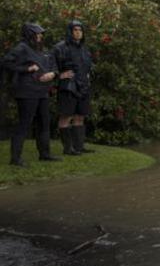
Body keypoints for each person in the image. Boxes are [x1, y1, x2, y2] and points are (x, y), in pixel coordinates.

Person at [2, 23, 61, 166]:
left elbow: (54, 66)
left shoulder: (43, 51)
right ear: (30, 34)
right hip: (27, 91)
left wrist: (52, 74)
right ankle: (15, 159)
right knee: (24, 124)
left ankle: (45, 154)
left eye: (41, 34)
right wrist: (26, 68)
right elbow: (5, 63)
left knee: (44, 123)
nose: (40, 36)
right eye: (37, 34)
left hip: (42, 91)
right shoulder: (21, 48)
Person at [52, 19, 95, 155]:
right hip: (68, 87)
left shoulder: (84, 49)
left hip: (83, 87)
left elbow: (88, 67)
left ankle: (79, 146)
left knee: (80, 116)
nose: (78, 32)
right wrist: (59, 75)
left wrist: (88, 77)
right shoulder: (60, 47)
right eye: (75, 30)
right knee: (66, 116)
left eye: (80, 30)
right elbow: (50, 65)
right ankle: (67, 148)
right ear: (70, 32)